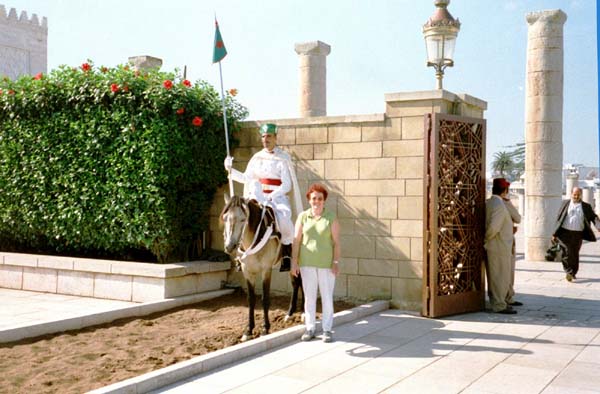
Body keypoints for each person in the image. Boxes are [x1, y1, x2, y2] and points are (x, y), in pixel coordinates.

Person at [224, 123, 303, 272]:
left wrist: (272, 196)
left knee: (285, 221)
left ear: (275, 138)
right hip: (257, 196)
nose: (266, 139)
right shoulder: (256, 158)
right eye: (263, 136)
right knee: (242, 218)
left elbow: (287, 185)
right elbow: (246, 178)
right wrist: (230, 169)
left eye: (269, 136)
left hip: (277, 198)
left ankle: (286, 254)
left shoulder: (283, 158)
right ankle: (241, 255)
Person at [291, 183, 340, 342]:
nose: (316, 201)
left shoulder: (330, 217)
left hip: (326, 265)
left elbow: (336, 242)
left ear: (324, 200)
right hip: (306, 264)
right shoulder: (303, 217)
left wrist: (336, 262)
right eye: (314, 198)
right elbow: (296, 241)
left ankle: (327, 329)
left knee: (326, 297)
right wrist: (294, 262)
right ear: (309, 200)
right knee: (309, 297)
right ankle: (310, 327)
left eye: (320, 198)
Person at [484, 178, 517, 314]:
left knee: (499, 276)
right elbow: (493, 227)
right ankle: (499, 305)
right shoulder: (499, 205)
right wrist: (486, 239)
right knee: (499, 277)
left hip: (499, 245)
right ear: (505, 190)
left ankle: (501, 302)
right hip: (498, 245)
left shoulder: (491, 202)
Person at [552, 187, 599, 282]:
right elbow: (559, 218)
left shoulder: (586, 206)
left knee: (574, 254)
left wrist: (598, 226)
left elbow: (593, 217)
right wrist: (554, 233)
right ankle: (568, 271)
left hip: (578, 234)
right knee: (566, 252)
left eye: (578, 195)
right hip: (565, 232)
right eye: (574, 194)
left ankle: (573, 272)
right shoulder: (565, 203)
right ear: (571, 194)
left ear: (581, 195)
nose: (576, 196)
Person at [503, 190, 522, 307]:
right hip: (506, 242)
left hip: (499, 242)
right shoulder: (504, 203)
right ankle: (507, 297)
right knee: (508, 272)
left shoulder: (490, 203)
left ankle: (507, 296)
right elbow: (518, 218)